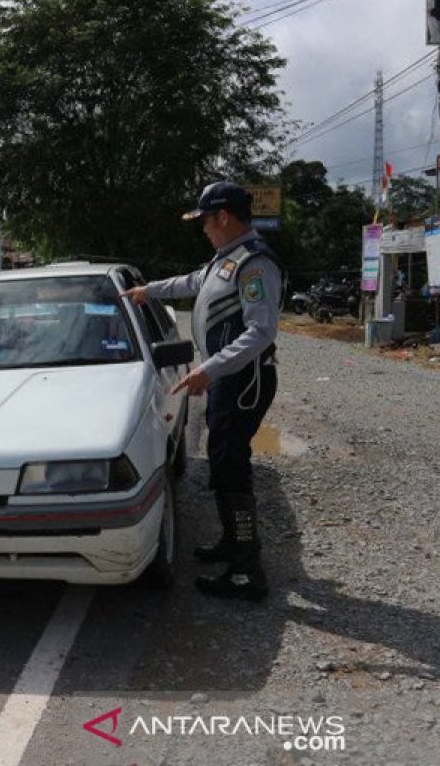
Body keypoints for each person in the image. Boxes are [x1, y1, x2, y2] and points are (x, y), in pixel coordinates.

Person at [123, 181, 283, 602]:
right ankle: (234, 545)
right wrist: (148, 291)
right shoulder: (226, 260)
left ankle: (247, 570)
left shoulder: (254, 264)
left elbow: (261, 331)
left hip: (243, 380)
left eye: (206, 222)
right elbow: (192, 282)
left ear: (224, 218)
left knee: (232, 470)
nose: (204, 230)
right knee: (222, 462)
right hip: (228, 379)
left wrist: (208, 370)